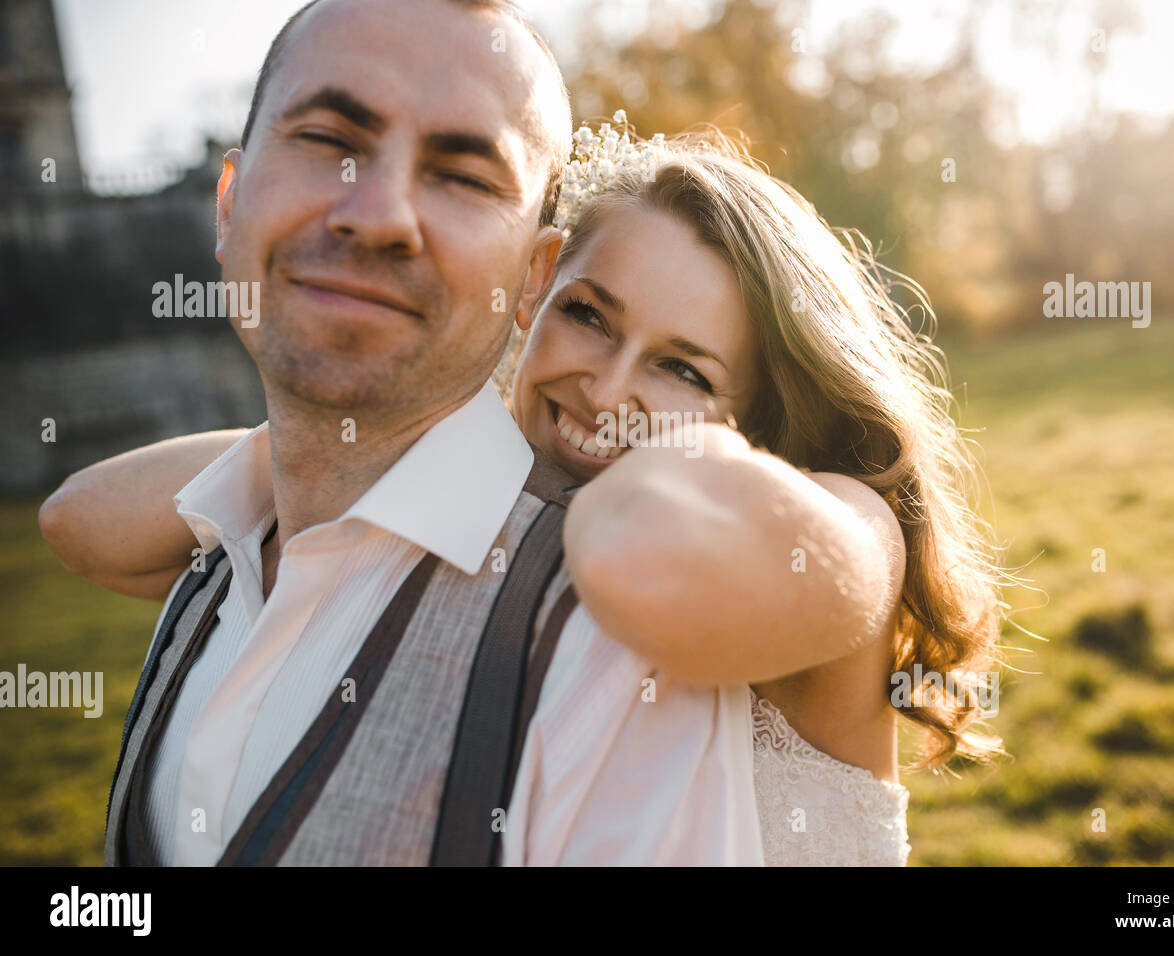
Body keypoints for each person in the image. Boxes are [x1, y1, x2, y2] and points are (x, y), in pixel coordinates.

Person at [44, 114, 1012, 864]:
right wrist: (352, 445)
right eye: (588, 314)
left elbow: (643, 560)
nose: (607, 384)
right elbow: (81, 523)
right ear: (537, 288)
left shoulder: (841, 521)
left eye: (682, 369)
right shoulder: (465, 500)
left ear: (760, 411)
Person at [40, 0, 771, 866]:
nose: (378, 213)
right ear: (229, 203)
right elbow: (71, 520)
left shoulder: (610, 651)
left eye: (463, 176)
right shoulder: (217, 548)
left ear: (532, 275)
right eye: (328, 139)